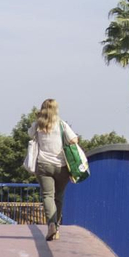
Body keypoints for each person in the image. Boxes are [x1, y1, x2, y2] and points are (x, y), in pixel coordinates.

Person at [23, 98, 78, 242]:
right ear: (55, 110)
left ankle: (51, 224)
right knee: (58, 197)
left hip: (43, 165)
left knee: (47, 196)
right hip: (61, 167)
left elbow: (29, 134)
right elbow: (74, 140)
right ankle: (57, 226)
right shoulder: (61, 124)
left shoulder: (37, 125)